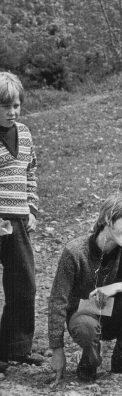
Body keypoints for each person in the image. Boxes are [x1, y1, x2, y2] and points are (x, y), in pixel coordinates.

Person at [48, 193, 122, 383]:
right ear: (108, 219)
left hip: (112, 314)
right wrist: (57, 349)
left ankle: (120, 357)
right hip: (82, 316)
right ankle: (89, 358)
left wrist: (119, 286)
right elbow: (57, 300)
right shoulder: (74, 252)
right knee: (86, 328)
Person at [0, 72, 41, 372]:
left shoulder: (24, 133)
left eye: (16, 105)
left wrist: (33, 210)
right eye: (5, 106)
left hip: (19, 220)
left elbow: (30, 173)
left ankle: (16, 346)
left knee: (23, 283)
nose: (12, 112)